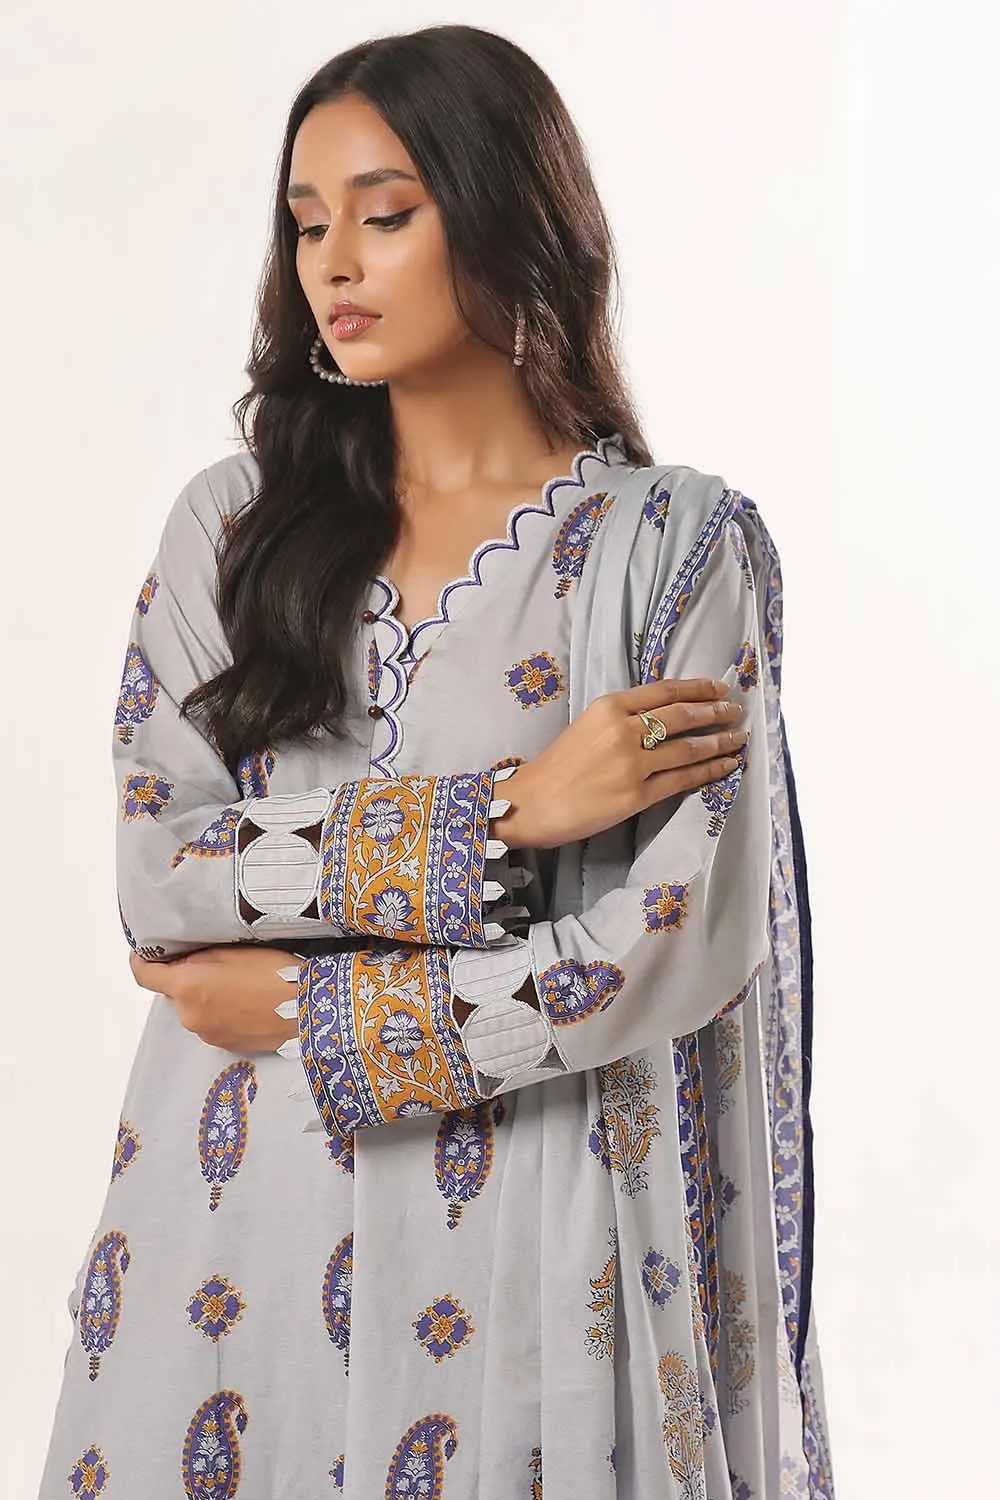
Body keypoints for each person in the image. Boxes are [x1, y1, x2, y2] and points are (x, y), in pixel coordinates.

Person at [38, 23, 834, 1500]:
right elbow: (162, 873)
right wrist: (508, 812)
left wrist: (308, 1005)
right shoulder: (236, 527)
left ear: (508, 216)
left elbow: (676, 940)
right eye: (307, 223)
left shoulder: (670, 551)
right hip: (235, 1215)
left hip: (541, 1219)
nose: (334, 263)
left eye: (387, 214)